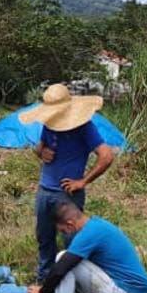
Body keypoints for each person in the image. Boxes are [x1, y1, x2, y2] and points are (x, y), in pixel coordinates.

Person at [19, 83, 115, 282]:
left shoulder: (84, 127)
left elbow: (106, 156)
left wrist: (83, 181)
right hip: (45, 191)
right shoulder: (49, 123)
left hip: (68, 195)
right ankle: (44, 280)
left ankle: (73, 284)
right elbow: (40, 147)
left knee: (72, 242)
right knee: (44, 238)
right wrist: (40, 152)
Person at [27, 201, 147, 293]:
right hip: (129, 292)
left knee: (63, 258)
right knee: (74, 262)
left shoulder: (88, 234)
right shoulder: (96, 225)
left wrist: (41, 292)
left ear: (70, 225)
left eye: (63, 230)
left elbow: (60, 269)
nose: (63, 234)